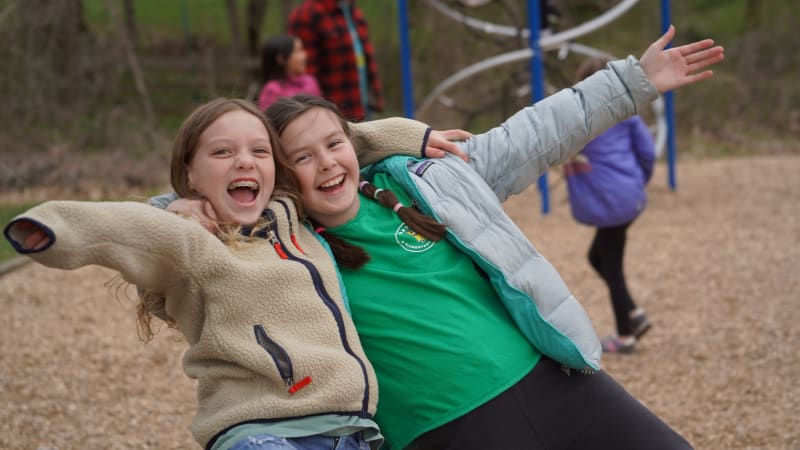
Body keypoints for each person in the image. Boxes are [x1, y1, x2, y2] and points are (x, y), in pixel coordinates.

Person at [164, 26, 724, 449]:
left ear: (354, 147)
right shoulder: (282, 244)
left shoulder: (424, 180)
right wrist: (182, 205)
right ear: (283, 178)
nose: (326, 165)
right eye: (302, 159)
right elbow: (173, 232)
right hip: (447, 430)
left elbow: (532, 135)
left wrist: (632, 82)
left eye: (333, 145)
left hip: (556, 383)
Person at [2, 98, 466, 450]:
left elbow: (335, 139)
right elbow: (132, 227)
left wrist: (413, 137)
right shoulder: (195, 241)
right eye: (222, 152)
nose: (244, 161)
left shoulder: (292, 211)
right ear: (190, 174)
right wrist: (55, 227)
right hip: (264, 434)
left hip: (350, 432)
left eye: (259, 151)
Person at [564, 56, 657, 354]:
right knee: (597, 257)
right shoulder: (627, 113)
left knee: (612, 266)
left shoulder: (579, 117)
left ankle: (626, 336)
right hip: (628, 196)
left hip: (609, 202)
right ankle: (634, 313)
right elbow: (647, 152)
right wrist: (637, 182)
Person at [288, 0, 382, 122]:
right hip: (332, 116)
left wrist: (375, 96)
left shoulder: (352, 10)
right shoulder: (307, 14)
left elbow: (366, 60)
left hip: (363, 108)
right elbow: (303, 76)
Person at [257, 34, 321, 111]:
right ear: (281, 59)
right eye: (298, 51)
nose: (304, 55)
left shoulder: (310, 81)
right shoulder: (272, 90)